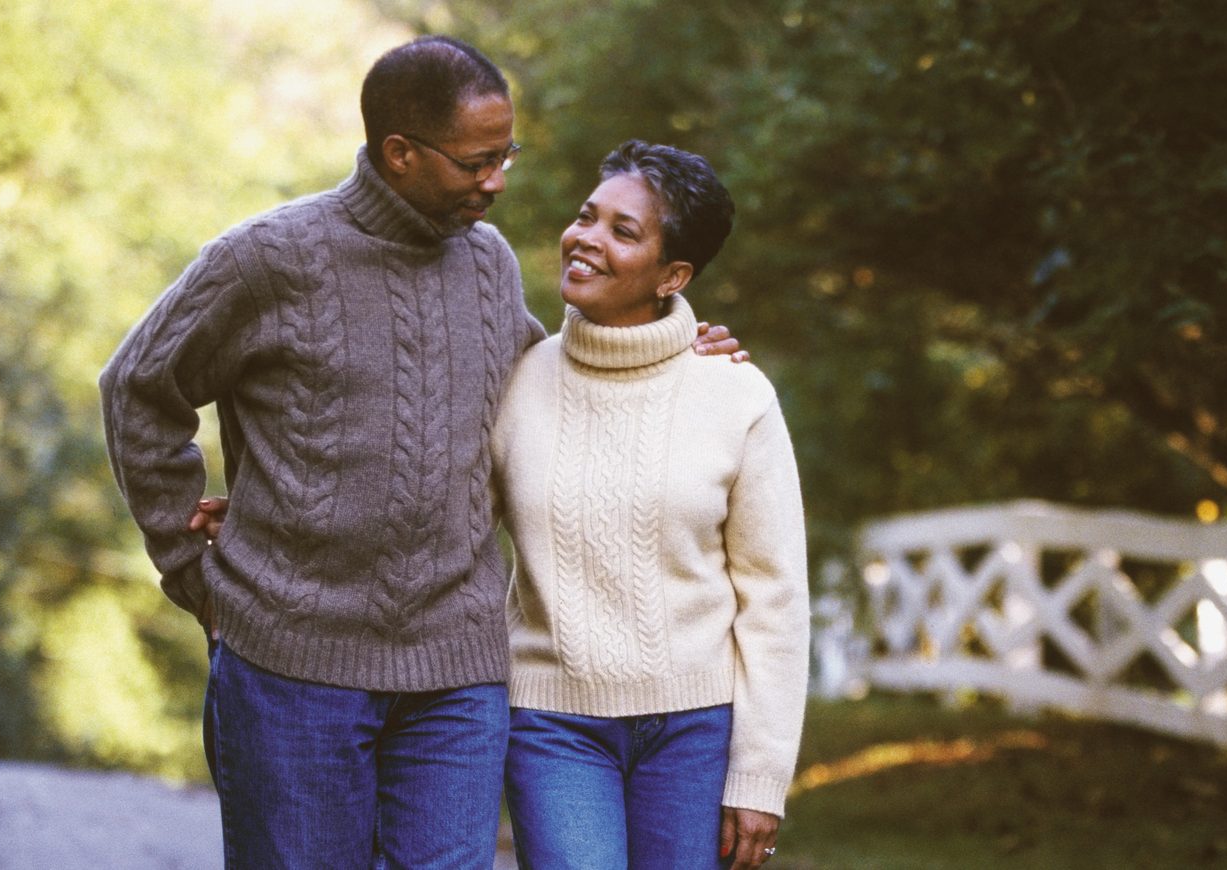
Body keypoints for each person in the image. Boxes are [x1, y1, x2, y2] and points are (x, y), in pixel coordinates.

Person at [98, 37, 741, 868]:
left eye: (506, 154)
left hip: (458, 668)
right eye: (477, 161)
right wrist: (187, 563)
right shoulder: (269, 258)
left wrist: (673, 352)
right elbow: (138, 387)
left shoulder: (490, 265)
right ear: (400, 154)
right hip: (293, 664)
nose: (498, 181)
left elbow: (558, 392)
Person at [492, 141, 808, 870]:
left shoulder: (735, 394)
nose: (585, 239)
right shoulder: (517, 380)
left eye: (622, 231)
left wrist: (761, 777)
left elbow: (775, 598)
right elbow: (439, 514)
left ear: (675, 275)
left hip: (696, 731)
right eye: (587, 217)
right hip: (552, 723)